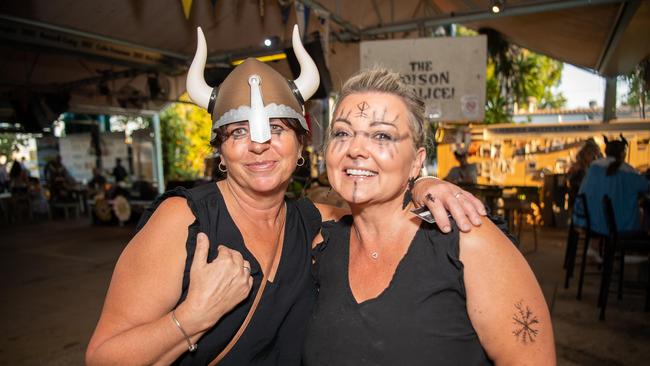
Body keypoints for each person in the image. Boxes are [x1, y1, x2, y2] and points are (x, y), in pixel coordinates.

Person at [86, 26, 485, 366]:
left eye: (276, 129)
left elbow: (379, 206)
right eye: (238, 133)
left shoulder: (315, 220)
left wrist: (423, 183)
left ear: (300, 145)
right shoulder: (184, 221)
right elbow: (103, 356)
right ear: (220, 150)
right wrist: (193, 316)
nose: (259, 147)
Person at [303, 68, 555, 365]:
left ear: (417, 162)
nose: (356, 149)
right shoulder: (321, 243)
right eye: (342, 133)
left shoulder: (468, 240)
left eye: (382, 135)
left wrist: (426, 181)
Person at [575, 135, 649, 235]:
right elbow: (646, 186)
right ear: (623, 154)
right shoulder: (629, 172)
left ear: (606, 151)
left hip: (591, 223)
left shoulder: (594, 168)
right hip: (621, 227)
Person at [567, 138, 602, 208]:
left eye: (596, 155)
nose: (594, 157)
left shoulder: (596, 169)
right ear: (584, 154)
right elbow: (571, 184)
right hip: (579, 205)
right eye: (590, 154)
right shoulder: (577, 168)